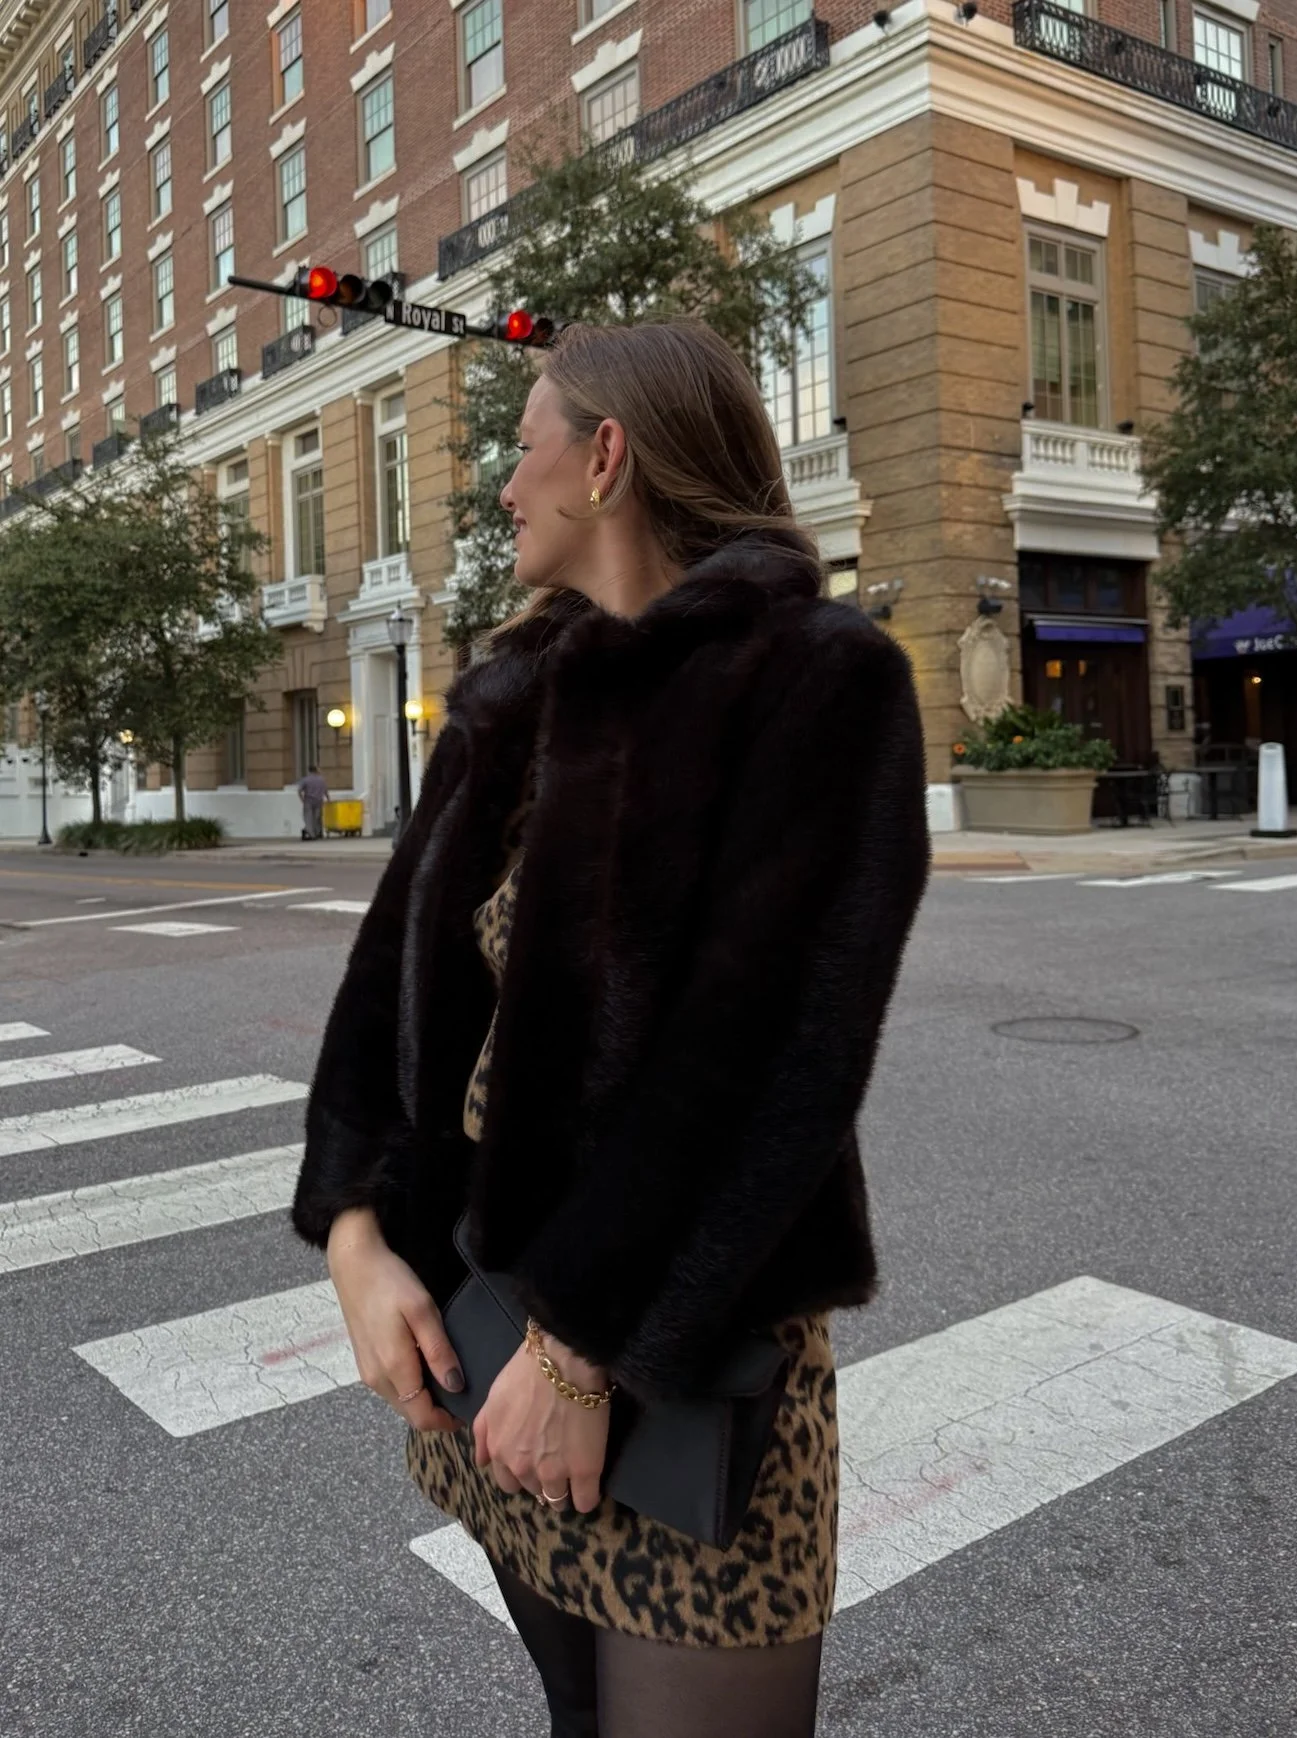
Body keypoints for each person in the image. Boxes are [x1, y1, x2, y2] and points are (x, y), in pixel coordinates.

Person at [291, 319, 930, 1738]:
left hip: (674, 1359)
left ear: (607, 457)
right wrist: (352, 1234)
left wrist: (581, 1350)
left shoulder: (818, 682)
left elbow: (774, 1064)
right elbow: (386, 989)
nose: (503, 488)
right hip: (482, 1354)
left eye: (522, 451)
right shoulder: (509, 702)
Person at [296, 765, 328, 840]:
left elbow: (299, 790)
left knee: (308, 817)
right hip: (319, 801)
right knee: (317, 817)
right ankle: (318, 832)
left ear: (309, 771)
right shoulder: (321, 780)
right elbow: (325, 790)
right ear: (316, 770)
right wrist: (328, 798)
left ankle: (311, 834)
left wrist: (302, 799)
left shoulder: (305, 780)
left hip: (309, 801)